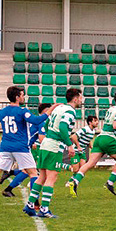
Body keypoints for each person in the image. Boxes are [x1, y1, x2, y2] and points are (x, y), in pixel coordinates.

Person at [24, 88, 82, 218]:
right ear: (75, 98)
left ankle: (30, 204)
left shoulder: (59, 109)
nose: (81, 100)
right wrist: (69, 146)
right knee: (51, 177)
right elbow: (62, 127)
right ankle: (44, 209)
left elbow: (46, 125)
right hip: (54, 146)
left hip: (46, 144)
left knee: (42, 176)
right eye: (81, 97)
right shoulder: (70, 111)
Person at [67, 91, 116, 196]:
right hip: (108, 138)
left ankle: (75, 181)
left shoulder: (111, 109)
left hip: (100, 137)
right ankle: (110, 183)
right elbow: (115, 126)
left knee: (90, 163)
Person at [0, 87, 50, 197]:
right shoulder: (23, 111)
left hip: (5, 147)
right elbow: (36, 120)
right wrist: (49, 112)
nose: (24, 97)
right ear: (17, 97)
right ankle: (34, 203)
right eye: (22, 95)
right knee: (33, 174)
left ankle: (10, 180)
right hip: (21, 148)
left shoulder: (2, 111)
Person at [3, 103, 53, 198]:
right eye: (50, 110)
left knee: (29, 171)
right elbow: (42, 139)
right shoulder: (42, 122)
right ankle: (33, 197)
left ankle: (10, 177)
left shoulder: (36, 120)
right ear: (45, 111)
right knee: (32, 171)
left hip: (26, 146)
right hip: (27, 147)